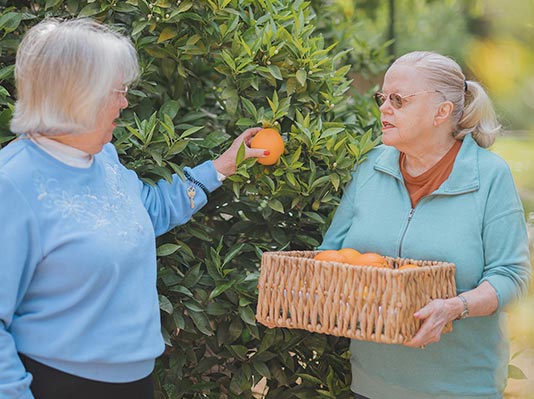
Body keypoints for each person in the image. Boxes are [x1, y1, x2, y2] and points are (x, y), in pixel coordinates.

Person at [0, 18, 267, 399]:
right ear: (80, 92)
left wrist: (220, 168)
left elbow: (145, 212)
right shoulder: (12, 183)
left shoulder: (102, 157)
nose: (125, 102)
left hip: (134, 381)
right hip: (58, 383)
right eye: (118, 90)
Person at [319, 51, 531, 399]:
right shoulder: (370, 167)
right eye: (382, 98)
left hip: (461, 389)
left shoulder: (490, 176)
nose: (384, 108)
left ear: (442, 111)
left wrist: (455, 307)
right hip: (370, 385)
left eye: (398, 100)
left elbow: (511, 275)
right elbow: (331, 254)